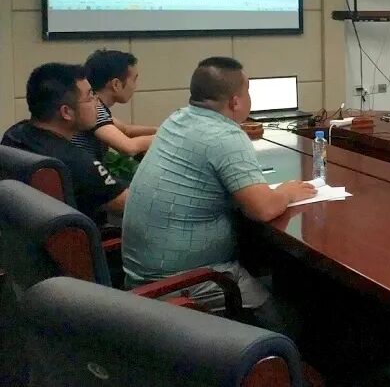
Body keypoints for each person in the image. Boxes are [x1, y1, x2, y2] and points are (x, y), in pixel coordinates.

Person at [122, 57, 316, 331]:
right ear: (236, 101)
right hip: (186, 283)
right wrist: (287, 192)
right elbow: (263, 209)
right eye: (248, 92)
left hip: (142, 279)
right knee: (292, 321)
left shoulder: (177, 119)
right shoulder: (225, 135)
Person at [1, 63, 128, 225]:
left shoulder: (14, 135)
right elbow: (130, 205)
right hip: (89, 237)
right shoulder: (78, 162)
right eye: (90, 96)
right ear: (66, 112)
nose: (97, 103)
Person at [71, 49, 156, 161]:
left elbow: (126, 130)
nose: (135, 86)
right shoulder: (95, 109)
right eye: (134, 80)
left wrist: (161, 129)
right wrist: (166, 137)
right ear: (116, 84)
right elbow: (129, 147)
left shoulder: (97, 107)